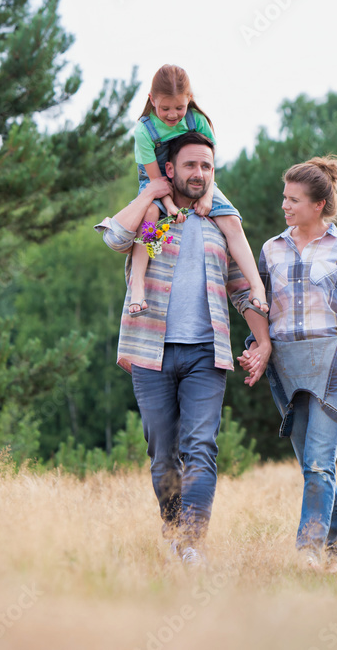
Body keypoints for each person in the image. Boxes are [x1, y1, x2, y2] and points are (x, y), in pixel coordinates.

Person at [95, 132, 271, 566]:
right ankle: (173, 531)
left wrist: (263, 340)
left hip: (205, 355)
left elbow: (241, 289)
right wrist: (153, 190)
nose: (199, 174)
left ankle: (193, 542)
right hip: (150, 351)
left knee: (201, 446)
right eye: (191, 165)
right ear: (170, 169)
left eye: (207, 167)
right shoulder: (157, 217)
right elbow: (116, 237)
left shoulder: (218, 223)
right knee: (162, 453)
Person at [239, 156, 337, 573]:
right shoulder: (270, 249)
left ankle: (309, 551)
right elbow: (259, 306)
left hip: (332, 361)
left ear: (319, 204)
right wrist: (256, 346)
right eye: (284, 198)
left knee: (318, 461)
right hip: (287, 364)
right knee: (312, 465)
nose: (285, 206)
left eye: (294, 200)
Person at [128, 64, 267, 317]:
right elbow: (155, 179)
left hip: (199, 177)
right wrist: (169, 206)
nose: (173, 115)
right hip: (159, 178)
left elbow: (209, 164)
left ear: (189, 99)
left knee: (232, 221)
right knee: (148, 216)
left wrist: (207, 195)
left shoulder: (197, 120)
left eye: (179, 108)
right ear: (152, 100)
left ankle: (256, 285)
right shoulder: (144, 131)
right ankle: (137, 283)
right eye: (165, 108)